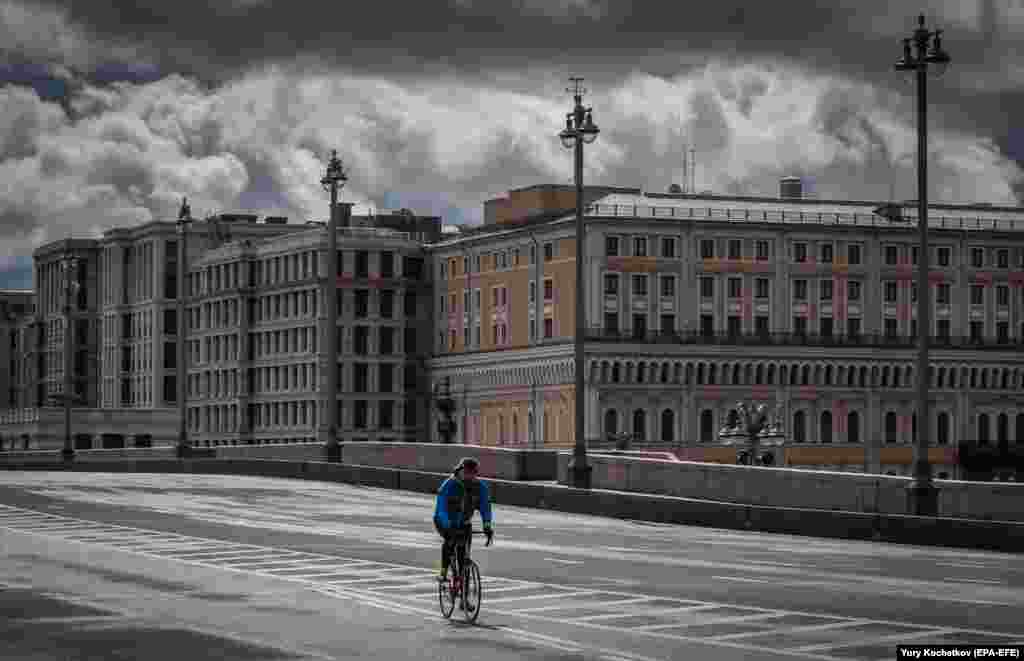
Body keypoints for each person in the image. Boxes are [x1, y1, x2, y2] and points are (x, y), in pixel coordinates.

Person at [434, 457, 493, 582]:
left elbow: (485, 507)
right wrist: (448, 525)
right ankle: (443, 572)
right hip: (444, 520)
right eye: (466, 472)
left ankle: (462, 585)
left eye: (473, 473)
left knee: (463, 551)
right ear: (459, 471)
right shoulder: (449, 485)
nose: (469, 476)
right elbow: (441, 508)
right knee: (450, 540)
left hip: (464, 522)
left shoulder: (480, 487)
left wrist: (487, 525)